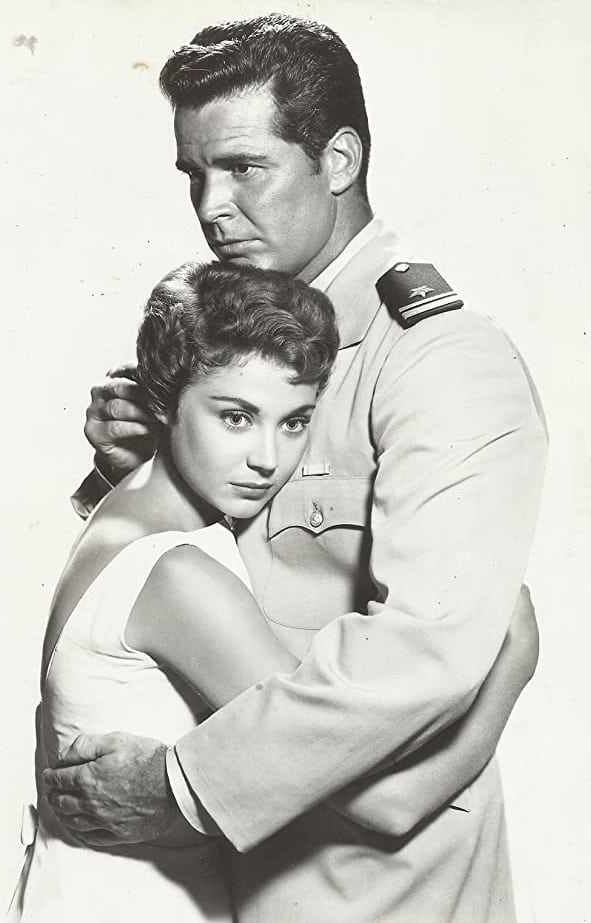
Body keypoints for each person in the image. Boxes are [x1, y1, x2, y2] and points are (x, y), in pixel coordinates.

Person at [44, 14, 548, 923]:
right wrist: (139, 471)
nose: (210, 206)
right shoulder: (239, 330)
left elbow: (421, 657)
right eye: (193, 174)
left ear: (339, 160)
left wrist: (183, 786)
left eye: (243, 168)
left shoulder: (438, 361)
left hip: (379, 890)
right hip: (221, 889)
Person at [8, 260, 340, 921]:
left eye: (294, 422)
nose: (268, 459)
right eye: (237, 417)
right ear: (163, 400)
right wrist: (508, 657)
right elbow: (340, 761)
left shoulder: (126, 504)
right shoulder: (178, 572)